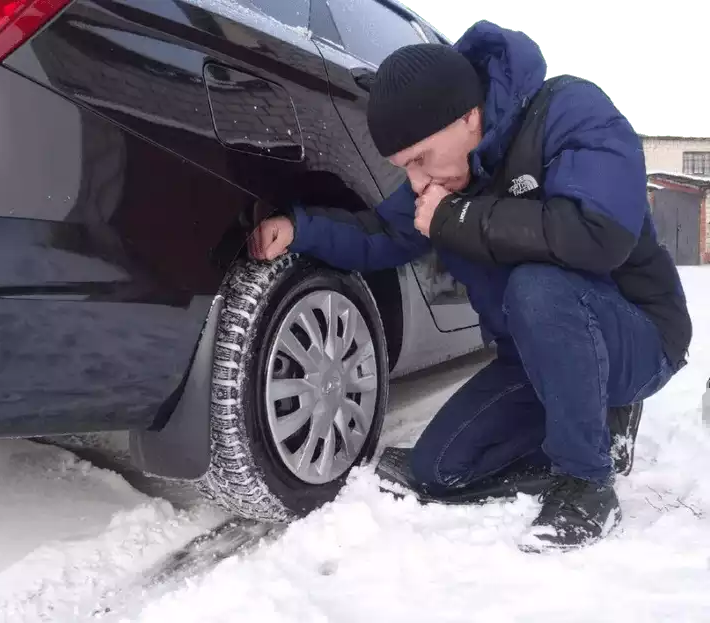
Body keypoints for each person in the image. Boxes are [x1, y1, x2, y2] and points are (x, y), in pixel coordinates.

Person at [248, 20, 692, 553]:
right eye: (403, 168)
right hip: (530, 358)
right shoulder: (449, 175)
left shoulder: (570, 112)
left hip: (638, 336)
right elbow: (384, 232)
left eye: (419, 158)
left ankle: (587, 481)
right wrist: (300, 229)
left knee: (537, 286)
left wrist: (457, 217)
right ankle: (579, 432)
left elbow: (598, 235)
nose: (416, 181)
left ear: (467, 115)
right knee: (438, 469)